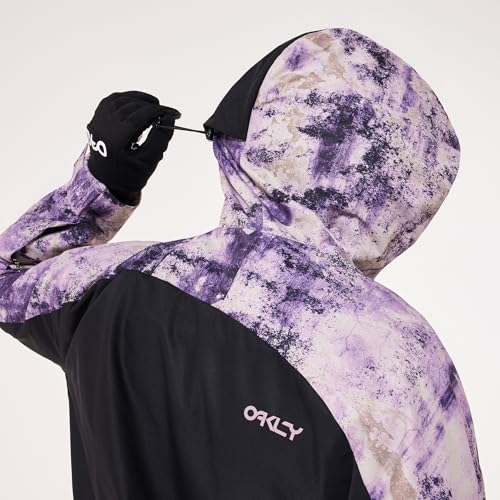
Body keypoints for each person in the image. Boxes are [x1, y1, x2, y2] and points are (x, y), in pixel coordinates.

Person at [0, 27, 485, 500]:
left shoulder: (115, 281)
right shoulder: (396, 364)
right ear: (408, 191)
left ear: (249, 136)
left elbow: (8, 279)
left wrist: (100, 182)